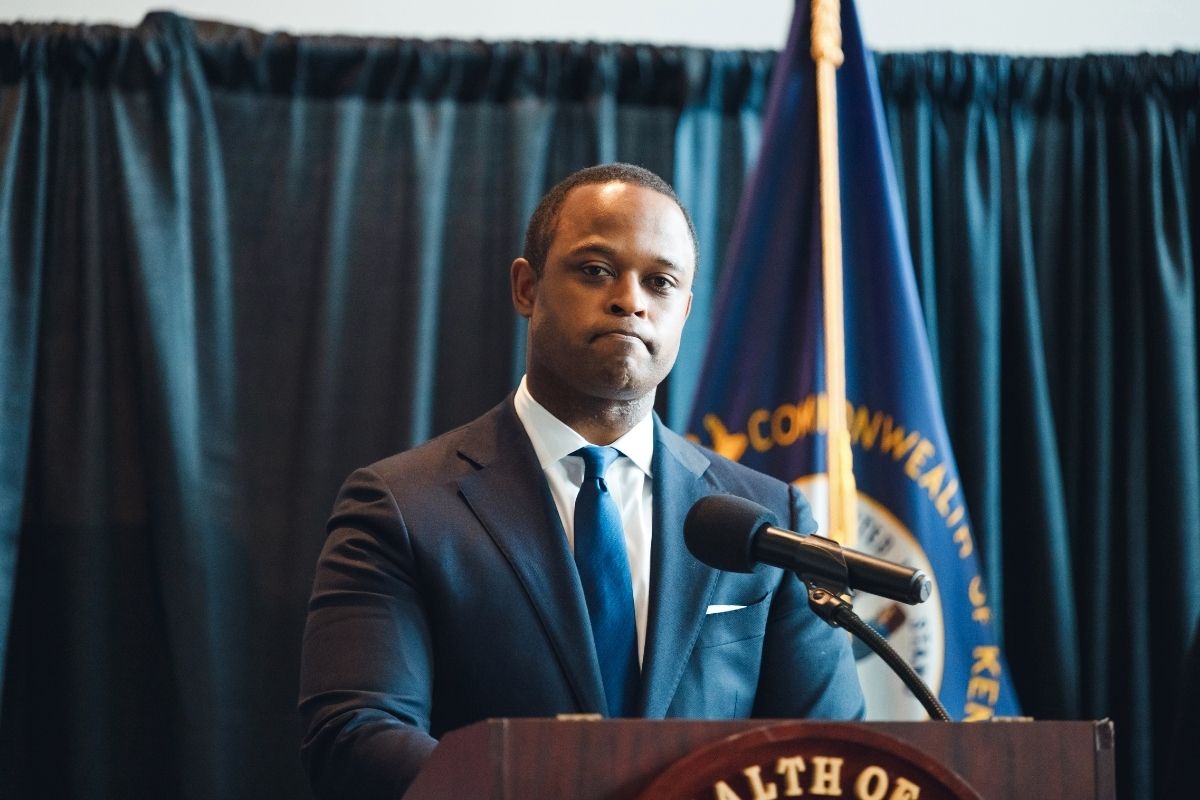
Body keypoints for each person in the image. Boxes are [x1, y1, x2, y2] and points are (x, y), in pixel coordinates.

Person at [298, 163, 865, 799]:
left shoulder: (765, 516)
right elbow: (357, 734)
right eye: (596, 270)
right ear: (526, 287)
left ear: (684, 310)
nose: (631, 299)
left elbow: (828, 756)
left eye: (660, 281)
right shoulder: (401, 506)